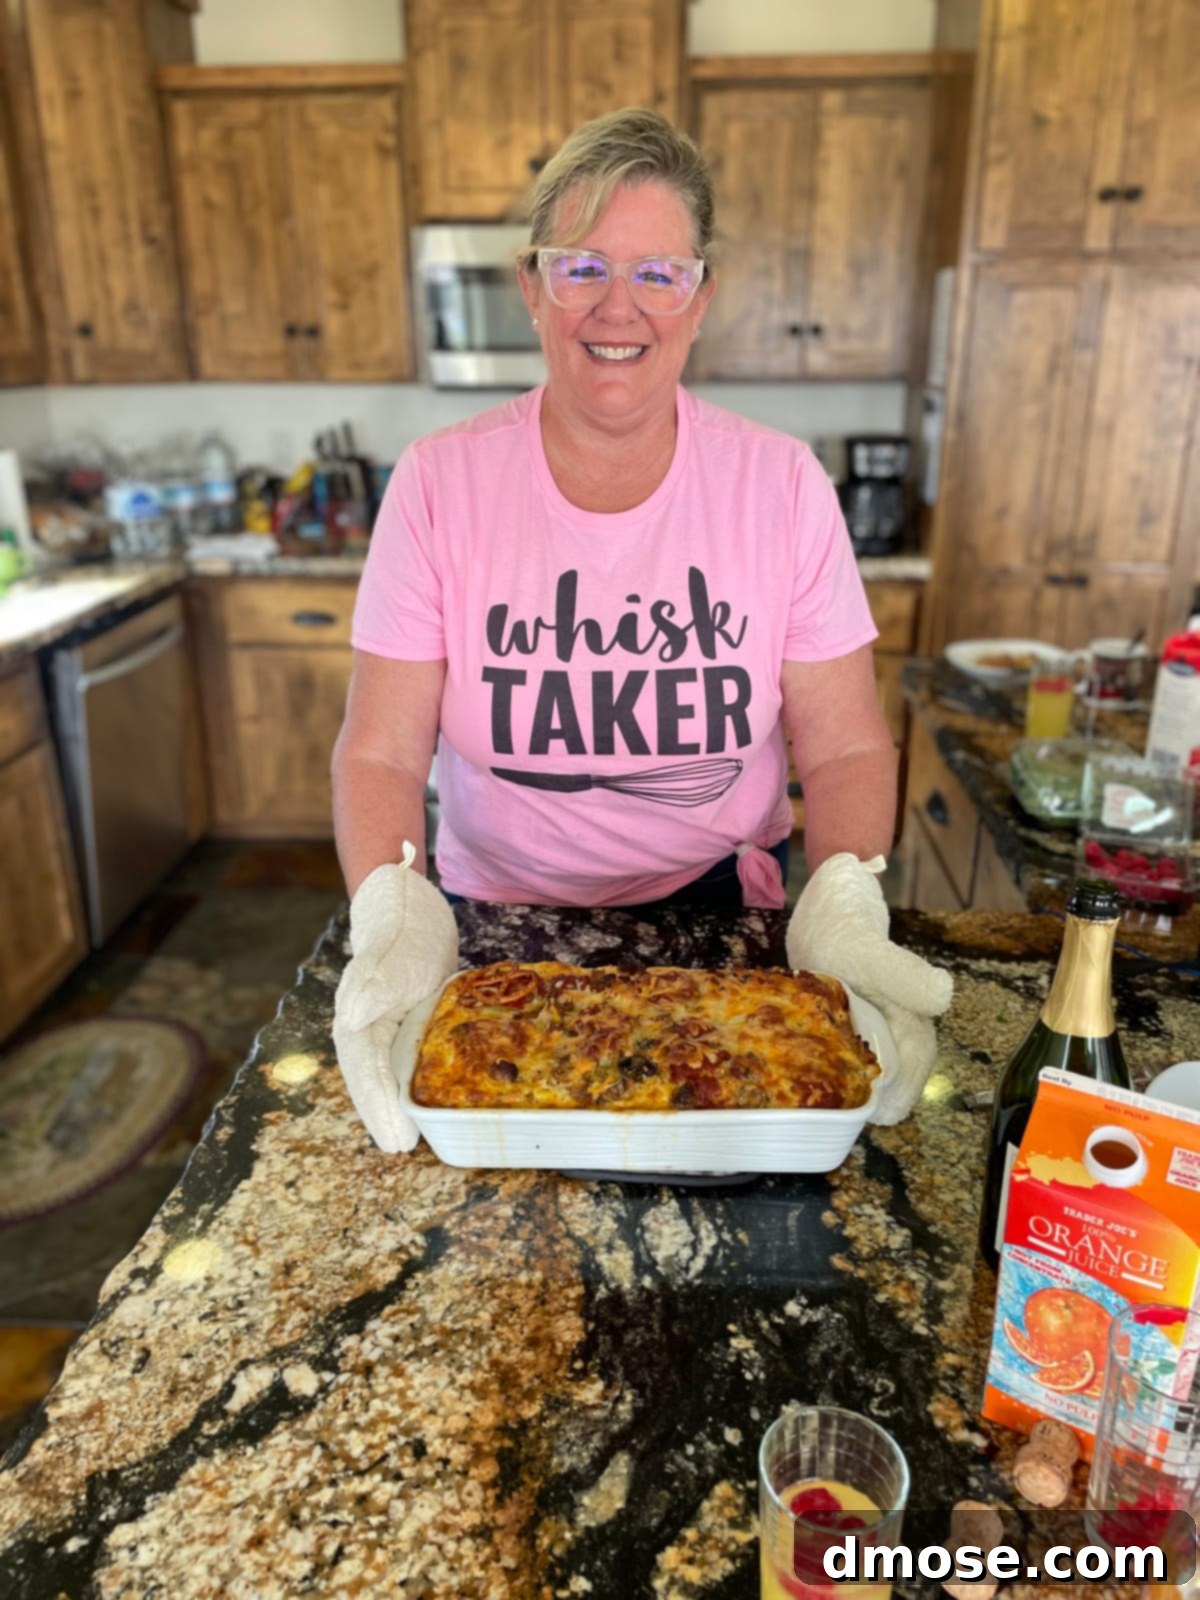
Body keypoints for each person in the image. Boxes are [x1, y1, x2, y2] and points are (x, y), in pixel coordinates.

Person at [331, 109, 952, 1152]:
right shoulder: (440, 486)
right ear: (532, 285)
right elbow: (381, 748)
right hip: (488, 934)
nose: (617, 307)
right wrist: (394, 919)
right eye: (581, 268)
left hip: (726, 928)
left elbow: (844, 741)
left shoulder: (781, 485)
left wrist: (844, 898)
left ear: (700, 298)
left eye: (658, 273)